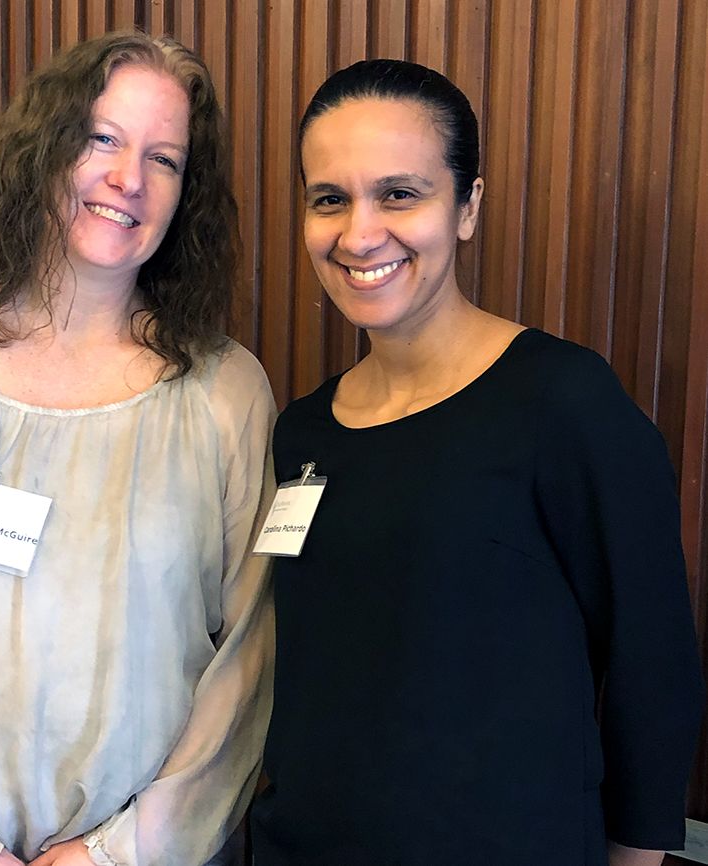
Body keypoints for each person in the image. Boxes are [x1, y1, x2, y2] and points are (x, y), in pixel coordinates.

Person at [250, 59, 704, 866]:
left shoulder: (562, 403)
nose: (359, 233)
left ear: (467, 207)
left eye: (400, 193)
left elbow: (652, 660)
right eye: (330, 199)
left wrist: (635, 857)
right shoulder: (303, 432)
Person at [0, 30, 275, 866]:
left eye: (166, 159)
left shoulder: (226, 392)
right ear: (44, 149)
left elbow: (249, 661)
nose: (128, 179)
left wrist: (118, 853)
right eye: (101, 138)